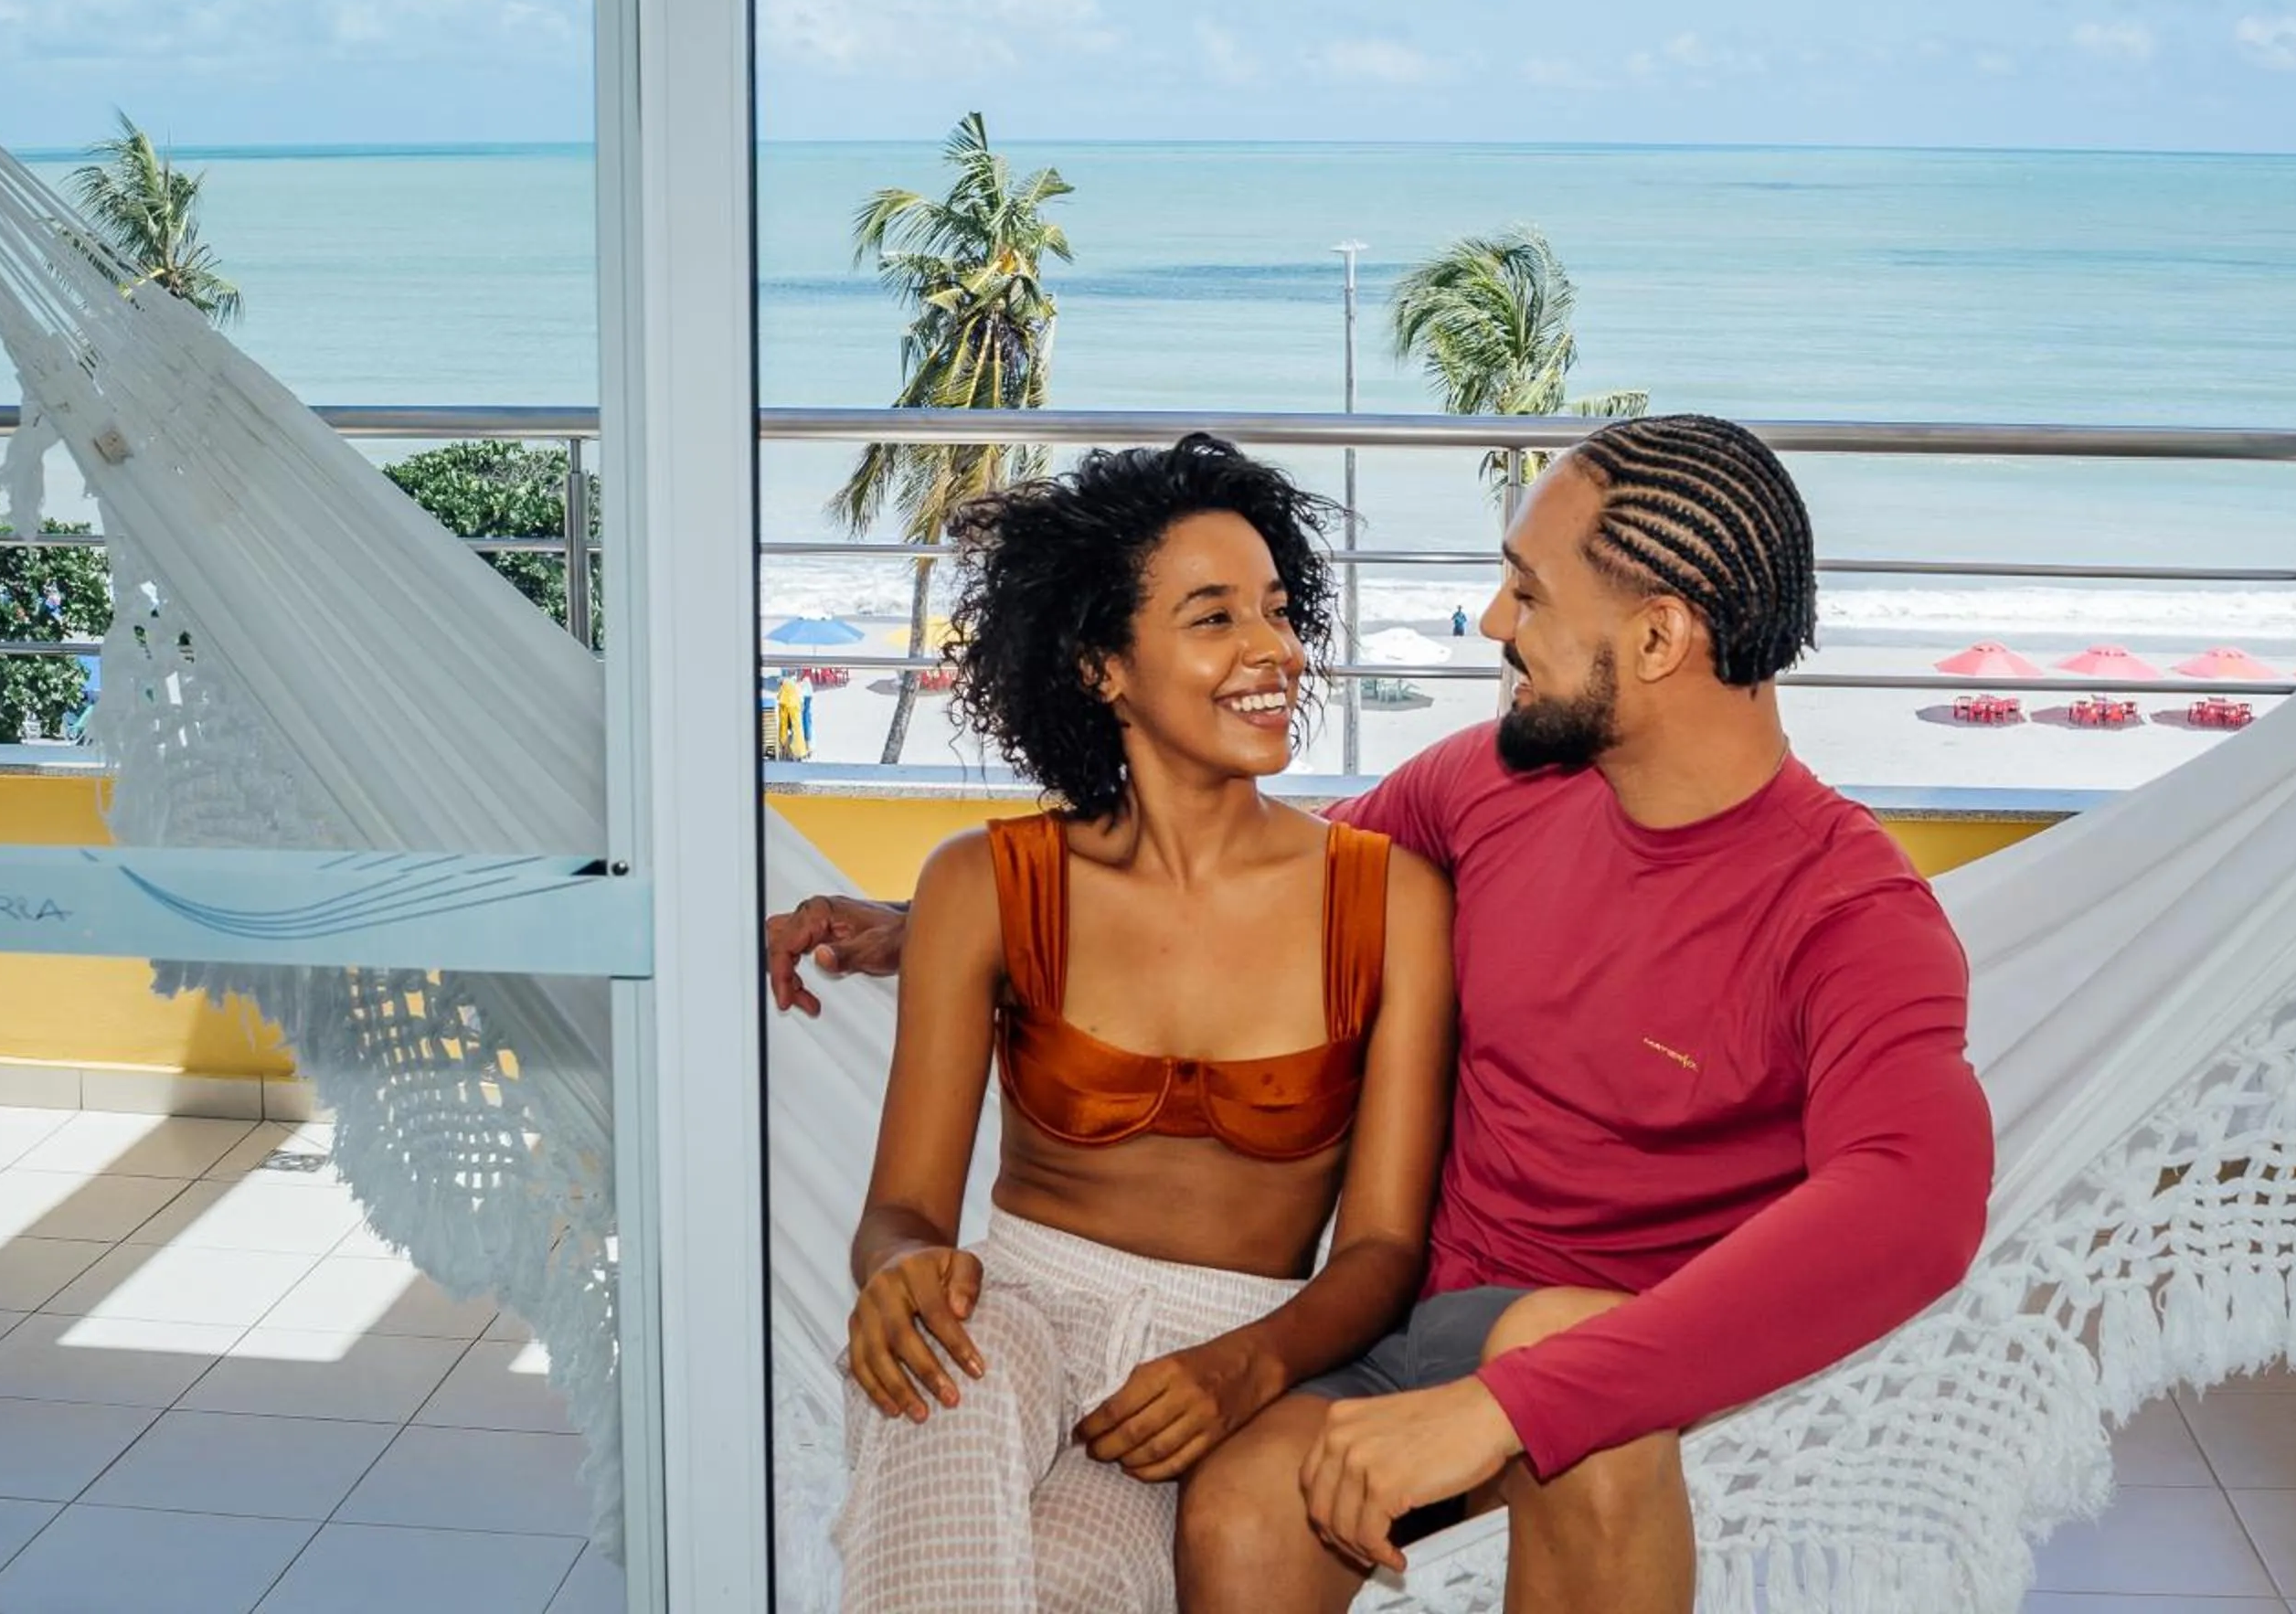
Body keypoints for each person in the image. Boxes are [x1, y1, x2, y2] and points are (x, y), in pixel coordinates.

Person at [768, 414, 1994, 1614]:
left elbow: (1916, 1203)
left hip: (1598, 1356)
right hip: (1391, 1330)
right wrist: (926, 921)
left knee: (1568, 1366)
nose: (1495, 623)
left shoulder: (1848, 911)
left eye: (1528, 591)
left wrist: (1509, 1408)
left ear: (1661, 637)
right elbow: (1231, 882)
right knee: (1237, 1513)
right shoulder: (1493, 781)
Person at [828, 434, 1455, 1613]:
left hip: (1214, 1367)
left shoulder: (1389, 904)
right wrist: (902, 1272)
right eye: (1214, 618)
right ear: (1103, 667)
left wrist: (1245, 1367)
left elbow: (1380, 1251)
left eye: (1276, 610)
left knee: (1070, 1581)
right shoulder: (985, 885)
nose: (1274, 650)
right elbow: (902, 1212)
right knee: (951, 1384)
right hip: (1006, 1317)